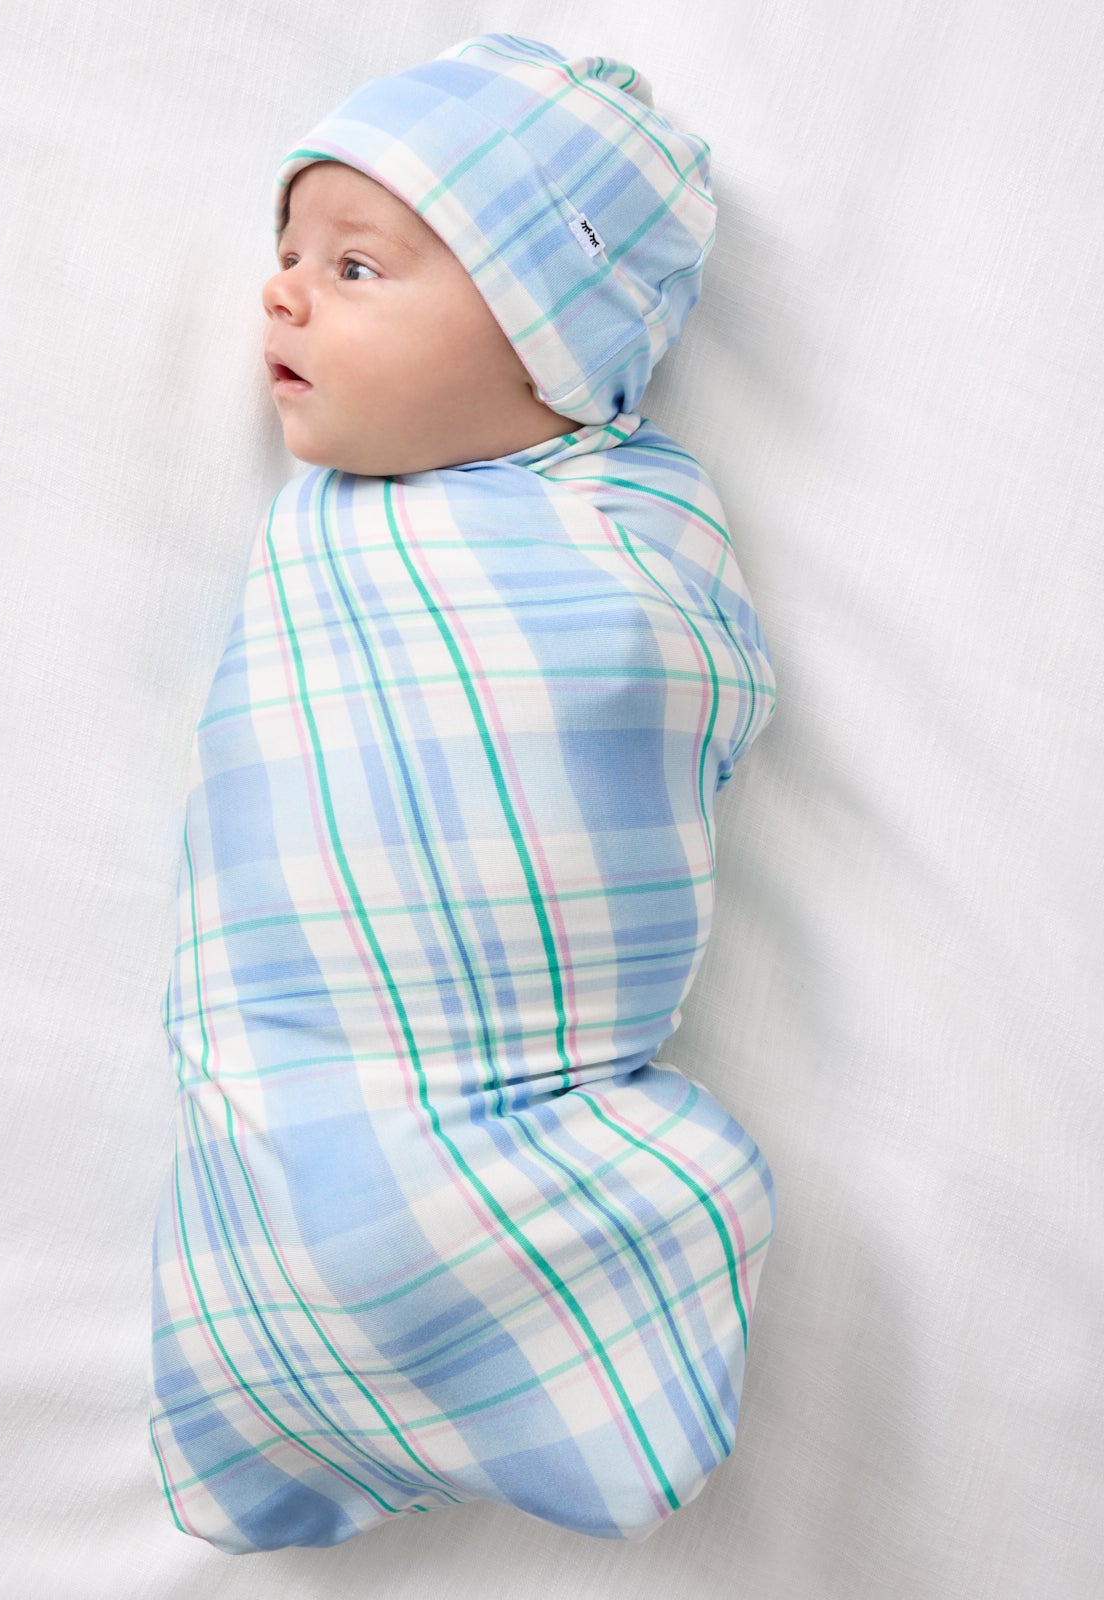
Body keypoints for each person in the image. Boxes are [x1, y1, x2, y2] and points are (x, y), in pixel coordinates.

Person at [149, 32, 779, 1554]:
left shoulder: (628, 532)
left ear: (544, 335)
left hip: (506, 1075)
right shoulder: (327, 530)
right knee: (297, 1174)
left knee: (671, 1194)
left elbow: (685, 685)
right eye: (287, 255)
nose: (281, 293)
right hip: (284, 1071)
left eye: (356, 267)